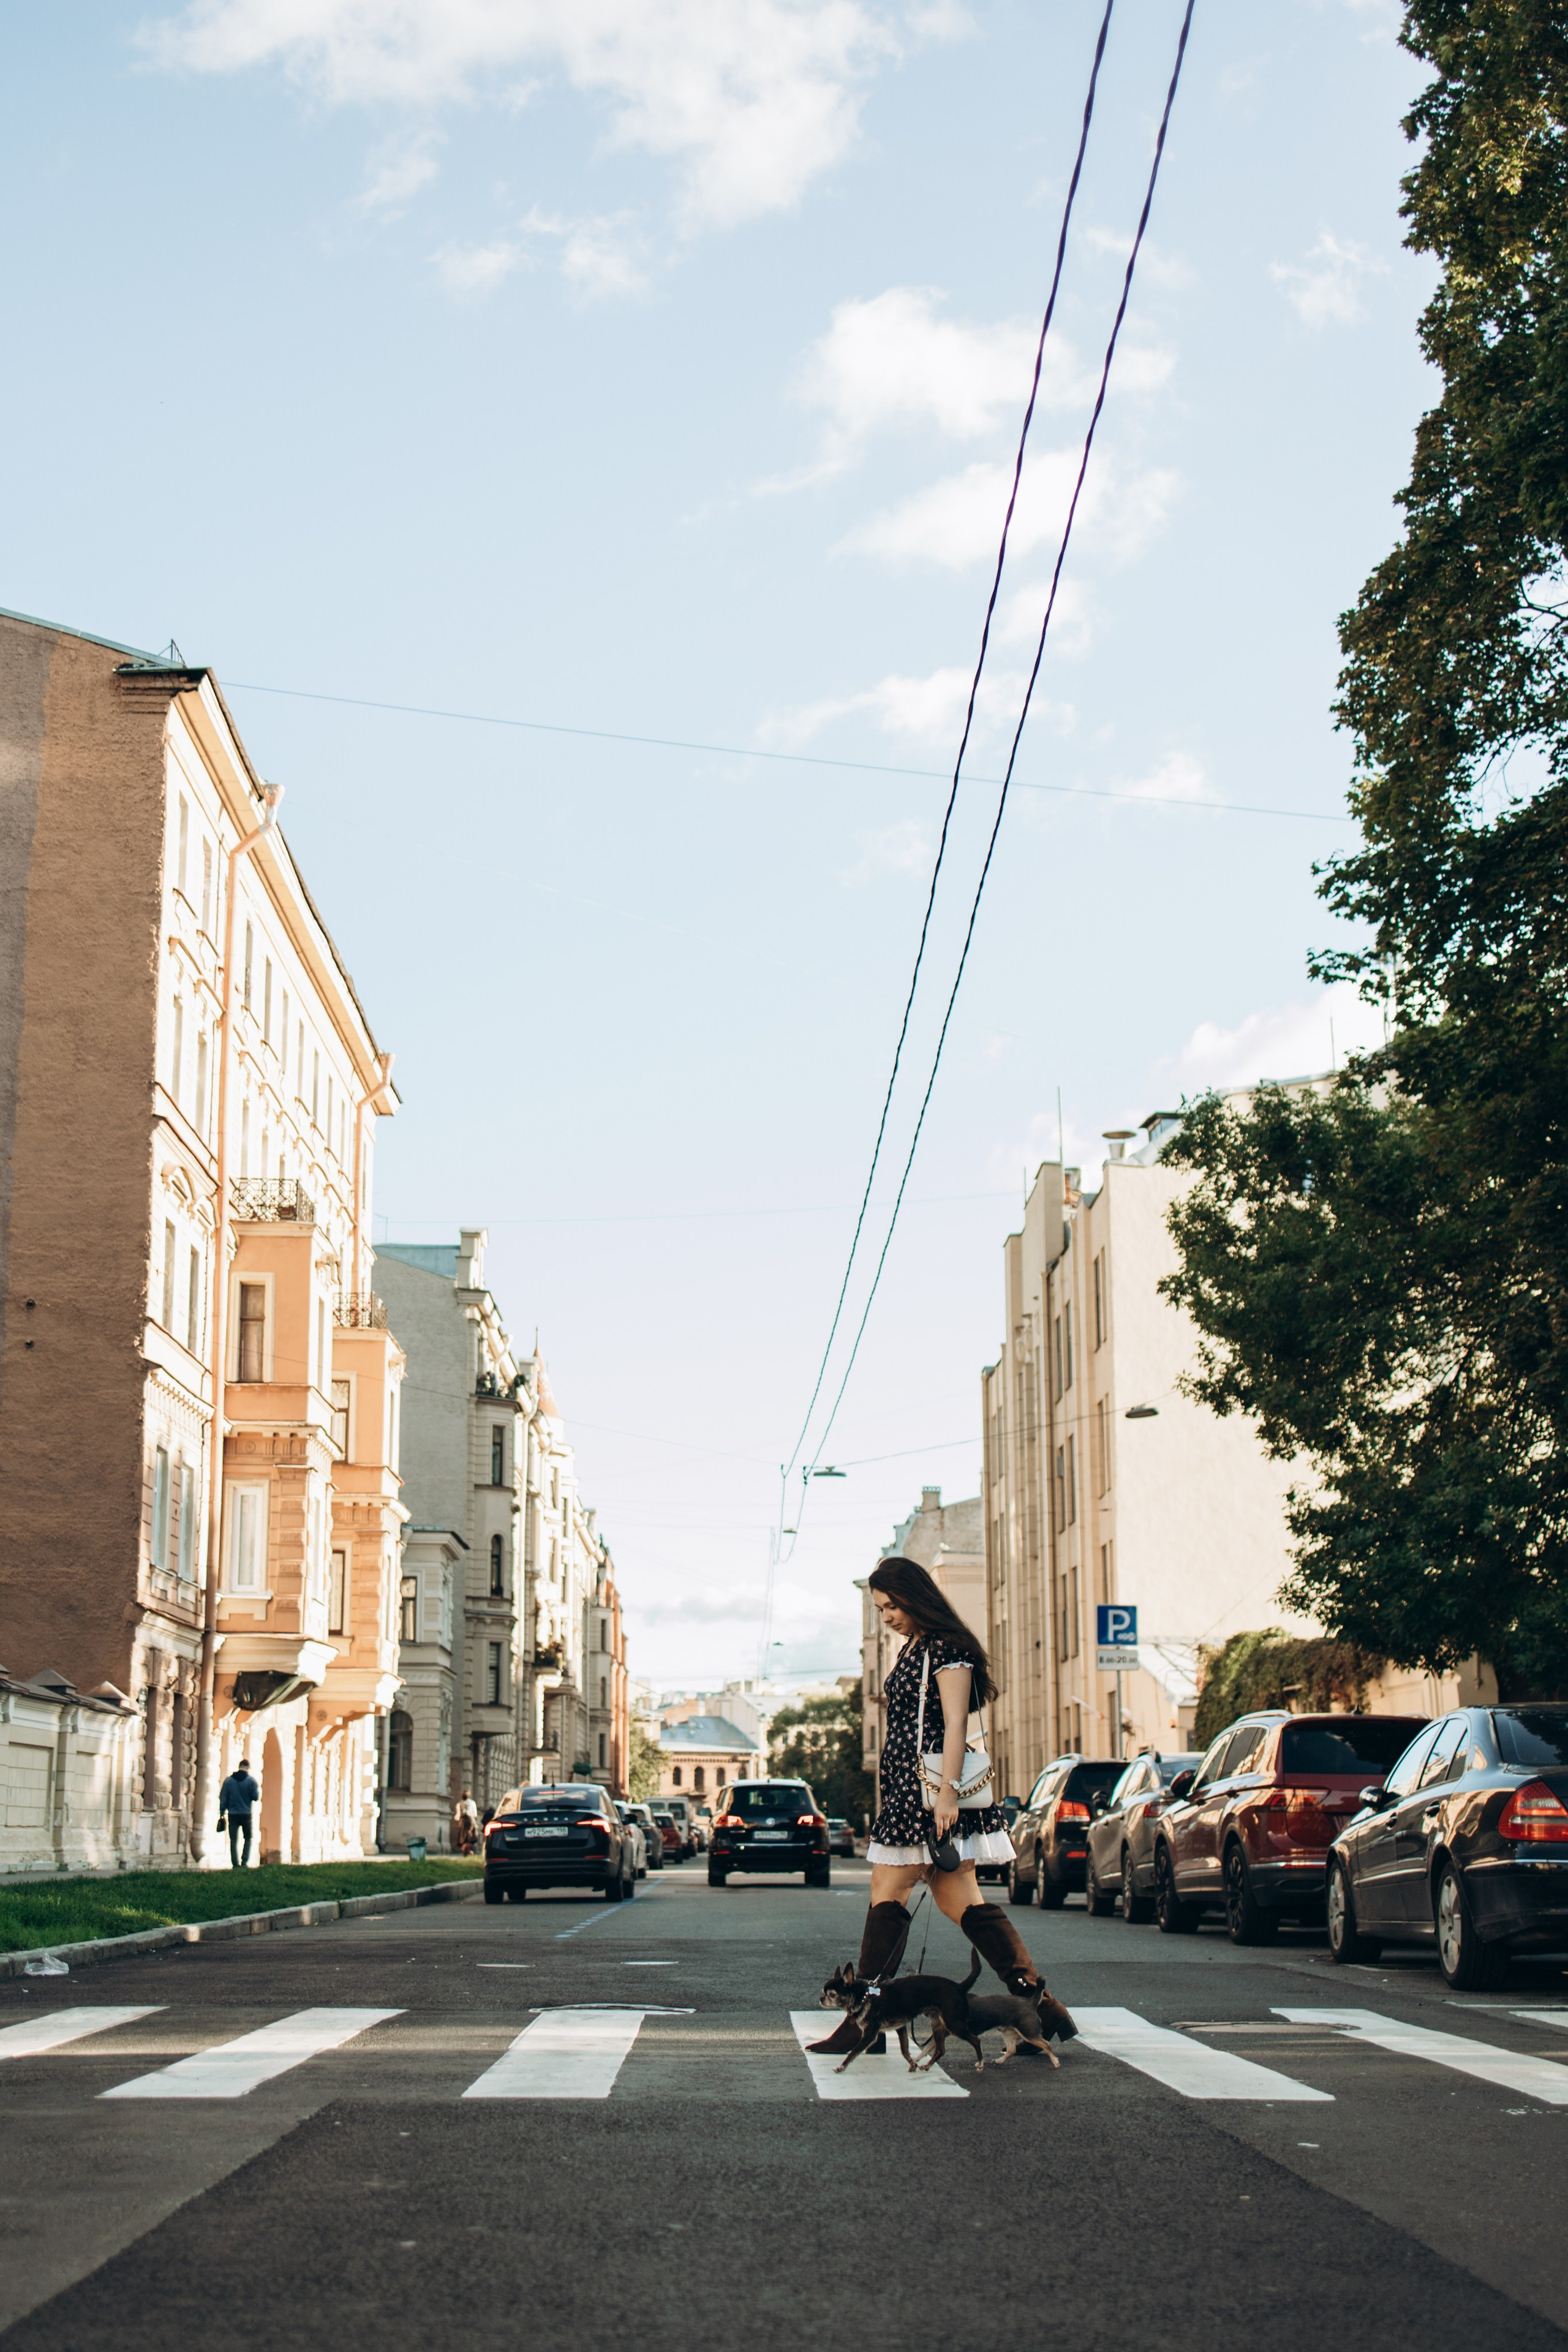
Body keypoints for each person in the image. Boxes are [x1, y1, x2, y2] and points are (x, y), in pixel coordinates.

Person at [809, 1555, 1076, 2054]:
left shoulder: (947, 1649)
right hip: (912, 1794)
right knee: (963, 1904)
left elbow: (955, 1724)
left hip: (931, 1796)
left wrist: (948, 1794)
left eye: (892, 1605)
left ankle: (862, 2020)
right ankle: (1042, 2007)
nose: (886, 1617)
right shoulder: (914, 1647)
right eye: (879, 1608)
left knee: (887, 1892)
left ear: (916, 1596)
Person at [218, 1757, 260, 1868]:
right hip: (246, 1813)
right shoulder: (251, 1781)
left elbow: (223, 1797)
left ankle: (235, 1864)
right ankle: (244, 1862)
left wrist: (222, 1812)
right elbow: (255, 1797)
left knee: (233, 1840)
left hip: (233, 1814)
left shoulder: (229, 1781)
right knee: (248, 1837)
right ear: (247, 1768)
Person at [453, 1788, 480, 1855]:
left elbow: (458, 1815)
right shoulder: (473, 1803)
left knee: (463, 1835)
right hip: (471, 1821)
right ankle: (469, 1850)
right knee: (470, 1836)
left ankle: (465, 1850)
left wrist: (457, 1818)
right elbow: (475, 1814)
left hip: (463, 1821)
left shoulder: (459, 1804)